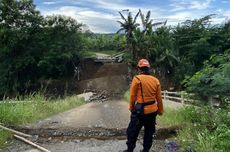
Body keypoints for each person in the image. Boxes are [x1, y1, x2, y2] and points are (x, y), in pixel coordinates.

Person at [123, 59, 164, 152]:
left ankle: (130, 149)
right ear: (148, 68)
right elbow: (159, 98)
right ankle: (145, 150)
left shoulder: (137, 79)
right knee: (149, 132)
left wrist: (131, 107)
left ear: (139, 68)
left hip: (139, 112)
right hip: (152, 111)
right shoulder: (155, 80)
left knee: (132, 131)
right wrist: (160, 110)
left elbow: (132, 96)